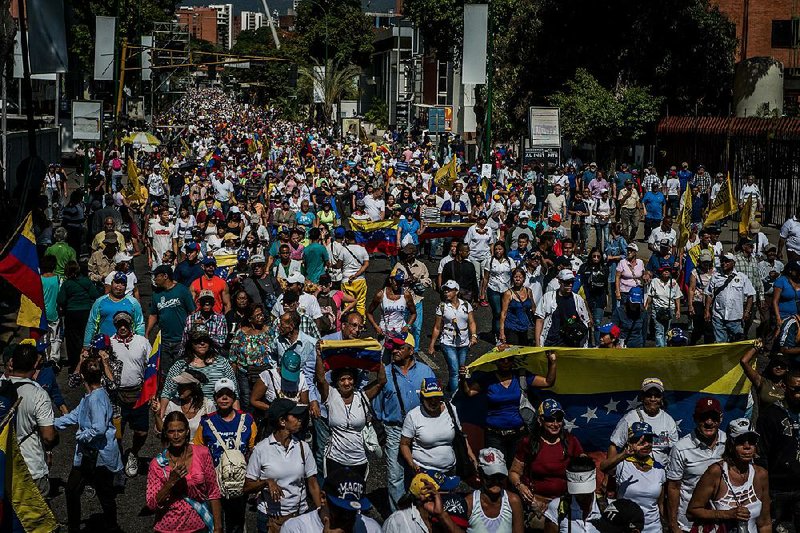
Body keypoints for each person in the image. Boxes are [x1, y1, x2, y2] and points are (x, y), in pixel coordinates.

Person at [54, 356, 124, 533]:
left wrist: (81, 435)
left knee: (104, 494)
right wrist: (51, 423)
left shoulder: (95, 399)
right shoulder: (90, 397)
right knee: (74, 489)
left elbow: (99, 429)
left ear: (83, 377)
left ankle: (111, 526)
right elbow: (75, 415)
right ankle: (75, 527)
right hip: (89, 455)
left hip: (98, 456)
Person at [373, 333, 437, 512]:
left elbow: (435, 402)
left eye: (400, 347)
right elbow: (377, 407)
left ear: (411, 350)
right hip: (394, 430)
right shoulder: (384, 373)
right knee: (395, 476)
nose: (395, 351)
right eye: (393, 347)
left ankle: (420, 513)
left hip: (420, 430)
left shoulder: (426, 372)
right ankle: (400, 518)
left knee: (420, 472)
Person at [460, 352, 557, 466]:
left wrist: (552, 362)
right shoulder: (488, 379)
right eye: (502, 360)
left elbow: (548, 382)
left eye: (509, 359)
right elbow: (469, 392)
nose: (506, 362)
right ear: (496, 361)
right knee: (495, 472)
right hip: (494, 435)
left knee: (516, 470)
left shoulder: (521, 376)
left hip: (518, 434)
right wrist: (463, 379)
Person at [243, 399, 321, 533]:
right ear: (282, 421)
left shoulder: (303, 447)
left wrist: (321, 512)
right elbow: (247, 486)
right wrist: (266, 482)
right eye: (295, 417)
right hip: (270, 519)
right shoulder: (261, 449)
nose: (300, 420)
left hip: (299, 516)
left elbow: (312, 484)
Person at [193, 379, 257, 533]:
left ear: (234, 398)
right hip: (213, 482)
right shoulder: (207, 422)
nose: (224, 398)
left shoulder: (248, 420)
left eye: (228, 394)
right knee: (216, 525)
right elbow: (198, 451)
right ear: (215, 398)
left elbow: (253, 452)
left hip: (239, 482)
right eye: (220, 395)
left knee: (237, 524)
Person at [688, 418, 770, 533]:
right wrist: (727, 514)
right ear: (731, 444)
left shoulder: (761, 474)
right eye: (741, 441)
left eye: (752, 441)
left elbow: (764, 523)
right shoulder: (716, 472)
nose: (747, 446)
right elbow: (692, 511)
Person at [145, 411, 223, 533]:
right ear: (165, 433)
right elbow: (152, 504)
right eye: (171, 432)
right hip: (167, 528)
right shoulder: (158, 464)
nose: (176, 436)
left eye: (180, 431)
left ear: (187, 431)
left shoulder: (202, 453)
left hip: (198, 525)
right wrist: (170, 482)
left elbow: (213, 491)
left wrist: (218, 527)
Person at [4, 342, 57, 498]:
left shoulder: (1, 387)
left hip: (5, 465)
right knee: (36, 519)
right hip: (31, 468)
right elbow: (48, 436)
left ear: (12, 362)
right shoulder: (38, 394)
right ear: (35, 364)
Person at [666, 398, 727, 533]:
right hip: (689, 523)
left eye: (714, 417)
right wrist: (673, 524)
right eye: (704, 417)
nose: (709, 422)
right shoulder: (681, 448)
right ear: (695, 418)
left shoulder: (729, 444)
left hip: (723, 522)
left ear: (721, 419)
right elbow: (673, 487)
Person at [400, 377, 477, 477]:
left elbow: (461, 436)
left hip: (450, 470)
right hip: (423, 472)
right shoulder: (413, 416)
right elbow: (404, 444)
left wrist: (472, 457)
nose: (433, 401)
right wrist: (411, 464)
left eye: (436, 397)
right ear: (422, 397)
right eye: (429, 398)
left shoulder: (451, 410)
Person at [755, 367, 800, 533]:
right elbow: (761, 455)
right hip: (778, 488)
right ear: (784, 387)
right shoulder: (770, 415)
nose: (799, 393)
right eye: (796, 389)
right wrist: (765, 491)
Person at [600, 422, 666, 533]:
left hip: (653, 528)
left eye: (649, 440)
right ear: (630, 442)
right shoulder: (622, 464)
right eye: (640, 440)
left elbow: (660, 504)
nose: (646, 444)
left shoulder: (659, 469)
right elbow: (603, 467)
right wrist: (624, 455)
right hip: (626, 528)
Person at [160, 326, 239, 416]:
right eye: (198, 340)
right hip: (187, 415)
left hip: (216, 415)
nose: (202, 343)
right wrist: (161, 417)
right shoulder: (180, 365)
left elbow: (234, 392)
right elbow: (167, 392)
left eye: (205, 340)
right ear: (191, 343)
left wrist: (237, 418)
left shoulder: (222, 363)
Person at [109, 311, 152, 478]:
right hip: (117, 395)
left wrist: (151, 391)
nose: (122, 327)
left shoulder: (142, 342)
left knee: (142, 431)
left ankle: (133, 453)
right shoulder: (110, 343)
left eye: (125, 324)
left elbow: (151, 366)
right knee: (116, 432)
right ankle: (117, 459)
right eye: (119, 324)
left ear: (130, 325)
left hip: (139, 394)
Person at [608, 378, 679, 467]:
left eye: (657, 396)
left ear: (661, 398)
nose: (653, 399)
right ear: (642, 397)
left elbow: (675, 449)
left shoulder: (668, 420)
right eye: (649, 395)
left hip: (660, 472)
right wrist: (609, 472)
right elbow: (614, 445)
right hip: (634, 470)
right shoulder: (631, 418)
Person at [428, 280, 478, 396]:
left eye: (449, 290)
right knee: (454, 370)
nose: (446, 292)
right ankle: (455, 396)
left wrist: (474, 336)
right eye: (445, 290)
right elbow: (437, 327)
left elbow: (471, 322)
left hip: (463, 342)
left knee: (461, 369)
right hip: (447, 341)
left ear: (456, 291)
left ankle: (452, 387)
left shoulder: (466, 305)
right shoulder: (442, 307)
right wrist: (432, 345)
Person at [147, 263, 196, 371]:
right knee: (166, 372)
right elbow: (153, 315)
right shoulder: (156, 294)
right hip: (164, 341)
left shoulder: (182, 290)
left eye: (156, 276)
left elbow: (193, 312)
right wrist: (147, 333)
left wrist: (192, 333)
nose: (154, 279)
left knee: (181, 371)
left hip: (182, 340)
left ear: (165, 276)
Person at [464, 448, 524, 532]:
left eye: (500, 476)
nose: (496, 481)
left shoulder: (513, 501)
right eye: (490, 476)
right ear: (480, 474)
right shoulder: (469, 503)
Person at [58, 260, 101, 372]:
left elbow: (60, 299)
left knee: (72, 340)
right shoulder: (86, 282)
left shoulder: (67, 284)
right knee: (86, 337)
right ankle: (88, 363)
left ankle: (75, 364)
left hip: (71, 314)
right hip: (86, 312)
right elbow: (95, 295)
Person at [704, 253, 756, 343]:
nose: (724, 263)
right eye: (722, 261)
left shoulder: (742, 277)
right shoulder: (715, 277)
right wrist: (707, 310)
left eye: (727, 261)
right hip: (718, 317)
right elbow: (709, 294)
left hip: (735, 318)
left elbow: (750, 295)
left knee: (738, 343)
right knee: (720, 344)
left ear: (733, 263)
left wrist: (747, 312)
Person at [543, 456, 602, 533]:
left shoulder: (606, 508)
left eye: (586, 492)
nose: (582, 496)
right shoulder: (556, 508)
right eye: (578, 493)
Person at [229, 303, 271, 411]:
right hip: (245, 373)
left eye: (261, 314)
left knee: (264, 399)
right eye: (257, 315)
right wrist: (233, 377)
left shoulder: (268, 331)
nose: (261, 317)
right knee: (247, 400)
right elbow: (233, 356)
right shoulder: (241, 333)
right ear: (250, 319)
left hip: (264, 372)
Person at [83, 271, 145, 345]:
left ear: (126, 287)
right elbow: (91, 324)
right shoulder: (100, 302)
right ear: (111, 283)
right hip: (104, 346)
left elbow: (139, 324)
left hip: (127, 345)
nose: (119, 286)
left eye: (123, 284)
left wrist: (141, 342)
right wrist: (86, 344)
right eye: (117, 283)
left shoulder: (133, 302)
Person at [534, 270, 592, 348]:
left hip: (572, 343)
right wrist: (538, 344)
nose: (570, 285)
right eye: (567, 282)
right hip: (552, 342)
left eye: (572, 282)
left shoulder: (578, 299)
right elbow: (539, 320)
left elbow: (586, 321)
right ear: (559, 282)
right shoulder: (548, 297)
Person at [366, 271, 416, 340]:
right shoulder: (381, 294)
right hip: (384, 333)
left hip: (400, 333)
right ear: (390, 280)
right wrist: (376, 327)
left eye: (400, 282)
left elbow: (414, 313)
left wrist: (407, 326)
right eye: (396, 281)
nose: (398, 284)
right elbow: (369, 312)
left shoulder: (406, 295)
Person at [481, 242, 514, 341]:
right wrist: (482, 292)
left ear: (504, 250)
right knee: (497, 312)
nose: (498, 251)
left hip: (506, 289)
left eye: (500, 249)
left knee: (505, 312)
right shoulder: (490, 261)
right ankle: (496, 333)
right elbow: (486, 277)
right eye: (496, 249)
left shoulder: (509, 261)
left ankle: (504, 331)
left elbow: (515, 273)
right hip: (493, 288)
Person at [739, 343, 787, 409]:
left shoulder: (790, 386)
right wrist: (756, 347)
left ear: (787, 369)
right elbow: (744, 361)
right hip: (764, 418)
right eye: (775, 364)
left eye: (782, 365)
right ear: (770, 365)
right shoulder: (762, 381)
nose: (778, 367)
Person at [645, 266, 682, 347]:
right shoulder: (655, 281)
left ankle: (665, 347)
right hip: (657, 309)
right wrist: (646, 306)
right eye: (664, 270)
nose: (666, 272)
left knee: (666, 331)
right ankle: (660, 348)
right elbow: (650, 295)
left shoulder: (674, 282)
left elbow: (677, 297)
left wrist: (678, 310)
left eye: (668, 270)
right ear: (660, 272)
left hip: (669, 309)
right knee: (659, 331)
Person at [579, 248, 609, 346]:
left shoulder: (604, 268)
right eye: (594, 256)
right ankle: (586, 344)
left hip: (599, 299)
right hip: (586, 299)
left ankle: (597, 344)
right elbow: (580, 283)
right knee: (585, 323)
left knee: (597, 323)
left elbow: (605, 285)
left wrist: (606, 297)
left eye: (598, 256)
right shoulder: (584, 267)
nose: (596, 258)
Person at [499, 267, 537, 345]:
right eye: (516, 277)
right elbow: (503, 313)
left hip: (524, 327)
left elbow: (533, 307)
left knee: (523, 350)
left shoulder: (528, 291)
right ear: (512, 279)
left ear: (524, 279)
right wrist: (502, 332)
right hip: (512, 326)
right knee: (513, 350)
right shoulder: (508, 294)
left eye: (520, 277)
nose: (518, 279)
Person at [687, 250, 716, 345]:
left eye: (708, 262)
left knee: (709, 326)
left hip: (711, 301)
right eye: (704, 262)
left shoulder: (715, 272)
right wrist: (690, 305)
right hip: (698, 300)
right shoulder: (695, 272)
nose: (706, 264)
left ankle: (708, 346)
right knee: (699, 324)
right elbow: (691, 289)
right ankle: (693, 341)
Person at [340, 230, 370, 316]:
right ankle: (361, 324)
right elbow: (366, 264)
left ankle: (349, 322)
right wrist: (356, 274)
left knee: (348, 303)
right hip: (360, 280)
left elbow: (339, 265)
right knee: (361, 303)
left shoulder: (343, 250)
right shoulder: (362, 249)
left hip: (346, 280)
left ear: (346, 239)